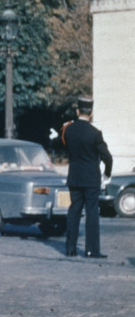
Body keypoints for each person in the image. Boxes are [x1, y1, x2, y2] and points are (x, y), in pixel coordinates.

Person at [62, 97, 113, 259]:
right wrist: (107, 174)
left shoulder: (68, 130)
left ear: (78, 111)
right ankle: (91, 250)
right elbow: (107, 157)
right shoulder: (95, 134)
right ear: (91, 113)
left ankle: (70, 249)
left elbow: (59, 144)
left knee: (74, 211)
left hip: (74, 177)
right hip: (91, 179)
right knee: (91, 213)